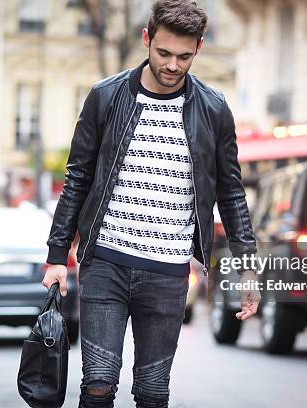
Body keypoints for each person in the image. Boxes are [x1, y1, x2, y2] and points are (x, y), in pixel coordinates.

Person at [43, 1, 258, 406]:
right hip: (105, 262)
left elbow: (231, 193)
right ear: (147, 39)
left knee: (153, 392)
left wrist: (247, 266)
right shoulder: (106, 97)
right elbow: (78, 178)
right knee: (99, 384)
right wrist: (57, 256)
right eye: (163, 53)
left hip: (167, 274)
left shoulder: (213, 111)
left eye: (184, 56)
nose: (172, 65)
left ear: (199, 48)